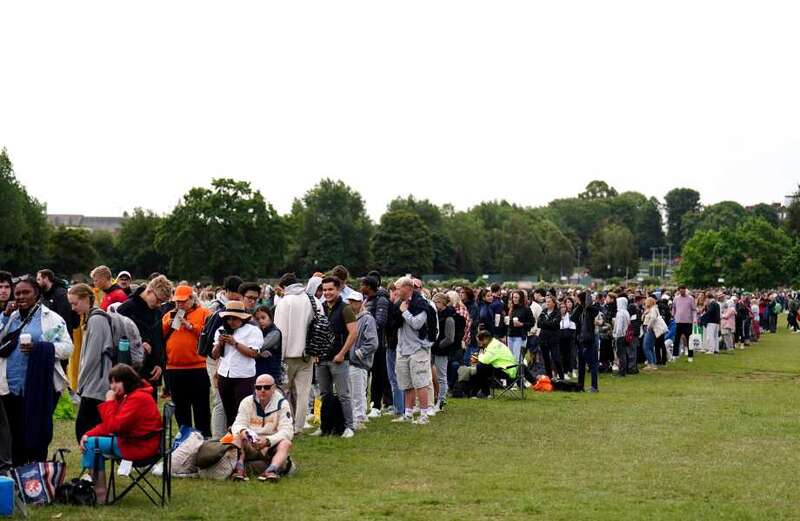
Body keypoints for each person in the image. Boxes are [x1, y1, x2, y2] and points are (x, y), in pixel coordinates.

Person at [0, 276, 73, 466]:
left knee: (37, 431)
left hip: (40, 387)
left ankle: (36, 475)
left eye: (26, 292)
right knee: (15, 435)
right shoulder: (11, 317)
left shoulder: (51, 319)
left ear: (37, 294)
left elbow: (67, 348)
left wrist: (40, 347)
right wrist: (5, 316)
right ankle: (18, 476)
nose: (21, 296)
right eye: (18, 293)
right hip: (11, 387)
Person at [79, 364, 162, 504]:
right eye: (111, 382)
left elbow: (113, 426)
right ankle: (96, 489)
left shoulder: (137, 398)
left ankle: (98, 494)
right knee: (91, 440)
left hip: (139, 447)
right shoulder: (132, 396)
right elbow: (111, 424)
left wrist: (109, 402)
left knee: (91, 444)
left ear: (127, 381)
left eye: (116, 381)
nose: (112, 386)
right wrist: (88, 433)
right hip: (138, 442)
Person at [161, 285, 211, 437]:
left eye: (183, 301)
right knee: (181, 408)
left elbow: (208, 335)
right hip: (174, 369)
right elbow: (159, 336)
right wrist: (167, 324)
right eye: (177, 301)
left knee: (201, 407)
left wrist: (190, 326)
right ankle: (185, 439)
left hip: (198, 367)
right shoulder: (169, 314)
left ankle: (204, 438)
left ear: (192, 299)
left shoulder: (204, 312)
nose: (179, 304)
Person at [67, 283, 113, 442]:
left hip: (96, 384)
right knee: (89, 429)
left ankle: (95, 465)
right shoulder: (92, 318)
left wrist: (80, 383)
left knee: (85, 430)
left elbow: (92, 356)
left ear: (86, 299)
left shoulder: (97, 320)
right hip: (94, 383)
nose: (73, 308)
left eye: (75, 303)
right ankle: (95, 464)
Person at [312, 277, 357, 438]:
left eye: (330, 289)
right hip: (322, 359)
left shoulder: (345, 308)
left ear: (338, 290)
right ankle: (325, 426)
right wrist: (316, 353)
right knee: (324, 394)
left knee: (343, 394)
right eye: (324, 290)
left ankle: (349, 426)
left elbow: (353, 333)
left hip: (339, 359)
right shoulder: (320, 308)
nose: (327, 293)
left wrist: (342, 353)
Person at [116, 275, 173, 401]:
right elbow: (116, 336)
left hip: (151, 372)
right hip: (130, 369)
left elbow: (159, 340)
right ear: (149, 291)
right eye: (158, 300)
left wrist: (159, 364)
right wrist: (137, 343)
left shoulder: (157, 312)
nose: (159, 305)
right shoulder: (126, 308)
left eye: (162, 302)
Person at [230, 374, 294, 482]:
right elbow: (237, 424)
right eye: (259, 387)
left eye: (267, 387)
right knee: (237, 437)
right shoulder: (247, 402)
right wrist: (246, 433)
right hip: (250, 442)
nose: (262, 390)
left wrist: (269, 441)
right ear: (255, 388)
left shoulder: (282, 404)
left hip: (270, 446)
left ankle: (270, 471)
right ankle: (239, 469)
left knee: (286, 443)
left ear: (274, 388)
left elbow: (287, 431)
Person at [273, 273, 314, 435]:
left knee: (282, 392)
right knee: (303, 393)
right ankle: (299, 426)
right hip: (308, 354)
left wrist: (278, 357)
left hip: (288, 355)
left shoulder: (285, 302)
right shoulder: (312, 300)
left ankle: (285, 424)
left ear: (284, 287)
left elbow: (280, 332)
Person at [212, 301, 263, 430]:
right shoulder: (221, 330)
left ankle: (244, 440)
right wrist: (219, 343)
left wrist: (235, 343)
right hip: (225, 374)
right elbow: (215, 355)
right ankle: (231, 440)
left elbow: (253, 353)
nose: (231, 321)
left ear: (242, 318)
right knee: (229, 411)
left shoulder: (253, 331)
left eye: (234, 318)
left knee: (243, 411)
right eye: (228, 318)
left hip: (244, 376)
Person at [390, 276, 433, 425]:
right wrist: (400, 311)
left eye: (398, 288)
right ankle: (407, 414)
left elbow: (417, 324)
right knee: (406, 383)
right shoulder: (399, 304)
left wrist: (405, 312)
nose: (396, 292)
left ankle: (424, 415)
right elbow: (395, 323)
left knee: (420, 383)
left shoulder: (421, 303)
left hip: (418, 348)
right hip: (402, 348)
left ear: (408, 288)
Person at [360, 275, 392, 418]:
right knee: (363, 377)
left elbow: (380, 321)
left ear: (368, 286)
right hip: (365, 344)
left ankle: (376, 406)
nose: (361, 287)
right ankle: (363, 405)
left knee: (378, 377)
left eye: (363, 285)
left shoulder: (381, 300)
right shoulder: (367, 300)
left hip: (378, 345)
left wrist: (366, 327)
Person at [347, 292, 378, 430]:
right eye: (350, 301)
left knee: (358, 392)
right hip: (351, 361)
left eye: (354, 301)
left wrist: (357, 354)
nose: (351, 304)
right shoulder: (350, 318)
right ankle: (358, 416)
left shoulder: (367, 319)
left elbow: (373, 343)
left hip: (358, 362)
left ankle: (359, 418)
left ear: (360, 303)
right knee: (354, 391)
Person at [467, 331, 519, 398]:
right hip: (506, 368)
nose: (479, 343)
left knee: (481, 367)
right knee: (482, 369)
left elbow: (485, 360)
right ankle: (485, 393)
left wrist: (477, 356)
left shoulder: (493, 347)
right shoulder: (494, 343)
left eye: (480, 341)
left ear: (486, 339)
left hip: (506, 372)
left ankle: (475, 394)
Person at [430, 293, 455, 411]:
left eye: (435, 302)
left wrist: (439, 345)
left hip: (441, 351)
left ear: (442, 303)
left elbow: (450, 338)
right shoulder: (435, 315)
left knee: (441, 376)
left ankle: (441, 401)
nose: (434, 304)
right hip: (432, 349)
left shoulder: (449, 317)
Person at [576, 292, 599, 392]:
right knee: (581, 365)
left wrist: (587, 303)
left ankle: (594, 387)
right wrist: (579, 306)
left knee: (592, 364)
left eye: (578, 299)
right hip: (581, 340)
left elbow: (595, 310)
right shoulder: (581, 310)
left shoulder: (590, 310)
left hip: (588, 341)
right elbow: (573, 318)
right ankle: (580, 385)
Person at [253, 305, 282, 384]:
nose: (260, 321)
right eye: (257, 319)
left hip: (271, 372)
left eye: (263, 318)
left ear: (270, 317)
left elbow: (259, 346)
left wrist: (258, 352)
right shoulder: (260, 331)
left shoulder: (274, 333)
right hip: (259, 371)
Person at [538, 295, 563, 380]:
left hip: (553, 338)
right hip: (543, 338)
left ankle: (561, 376)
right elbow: (539, 324)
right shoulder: (543, 311)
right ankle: (549, 377)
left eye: (549, 302)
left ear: (554, 303)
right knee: (546, 359)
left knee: (556, 358)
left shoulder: (557, 312)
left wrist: (545, 322)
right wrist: (548, 322)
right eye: (546, 302)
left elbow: (555, 324)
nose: (547, 303)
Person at [507, 290, 533, 364]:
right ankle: (513, 375)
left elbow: (532, 323)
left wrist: (521, 324)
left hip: (520, 336)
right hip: (510, 335)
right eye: (513, 297)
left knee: (517, 359)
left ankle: (520, 375)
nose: (514, 299)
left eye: (516, 297)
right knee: (511, 358)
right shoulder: (512, 308)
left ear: (521, 298)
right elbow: (510, 322)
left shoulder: (526, 309)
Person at [671, 286, 697, 358]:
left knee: (689, 339)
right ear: (679, 291)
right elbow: (674, 307)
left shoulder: (690, 298)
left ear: (685, 290)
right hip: (678, 321)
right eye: (681, 291)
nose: (682, 292)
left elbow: (694, 310)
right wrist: (673, 315)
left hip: (688, 322)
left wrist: (694, 319)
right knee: (676, 339)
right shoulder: (676, 298)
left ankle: (690, 355)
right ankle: (675, 355)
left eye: (684, 291)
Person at [613, 296, 631, 377]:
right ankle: (623, 370)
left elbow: (619, 326)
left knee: (621, 354)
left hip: (620, 335)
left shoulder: (620, 313)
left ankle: (622, 371)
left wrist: (616, 335)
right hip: (625, 335)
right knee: (623, 353)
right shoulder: (626, 312)